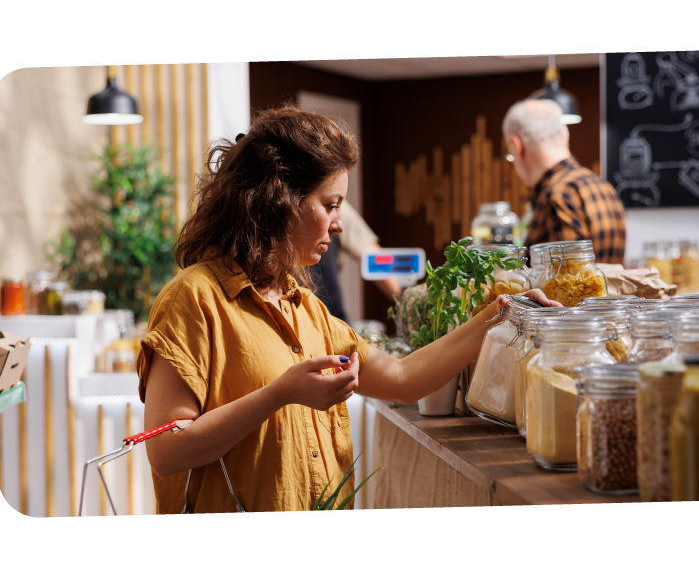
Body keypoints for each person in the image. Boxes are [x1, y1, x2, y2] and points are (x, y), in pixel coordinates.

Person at [135, 104, 560, 513]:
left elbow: (403, 378)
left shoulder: (305, 308)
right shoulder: (193, 299)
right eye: (330, 204)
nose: (338, 225)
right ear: (277, 198)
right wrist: (280, 394)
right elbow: (166, 452)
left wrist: (501, 313)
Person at [502, 98, 628, 264]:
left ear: (517, 146)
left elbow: (567, 280)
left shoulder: (556, 195)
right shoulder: (602, 185)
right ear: (566, 134)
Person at [309, 198, 402, 323]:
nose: (338, 226)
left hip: (331, 323)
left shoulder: (332, 200)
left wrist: (408, 298)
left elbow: (372, 256)